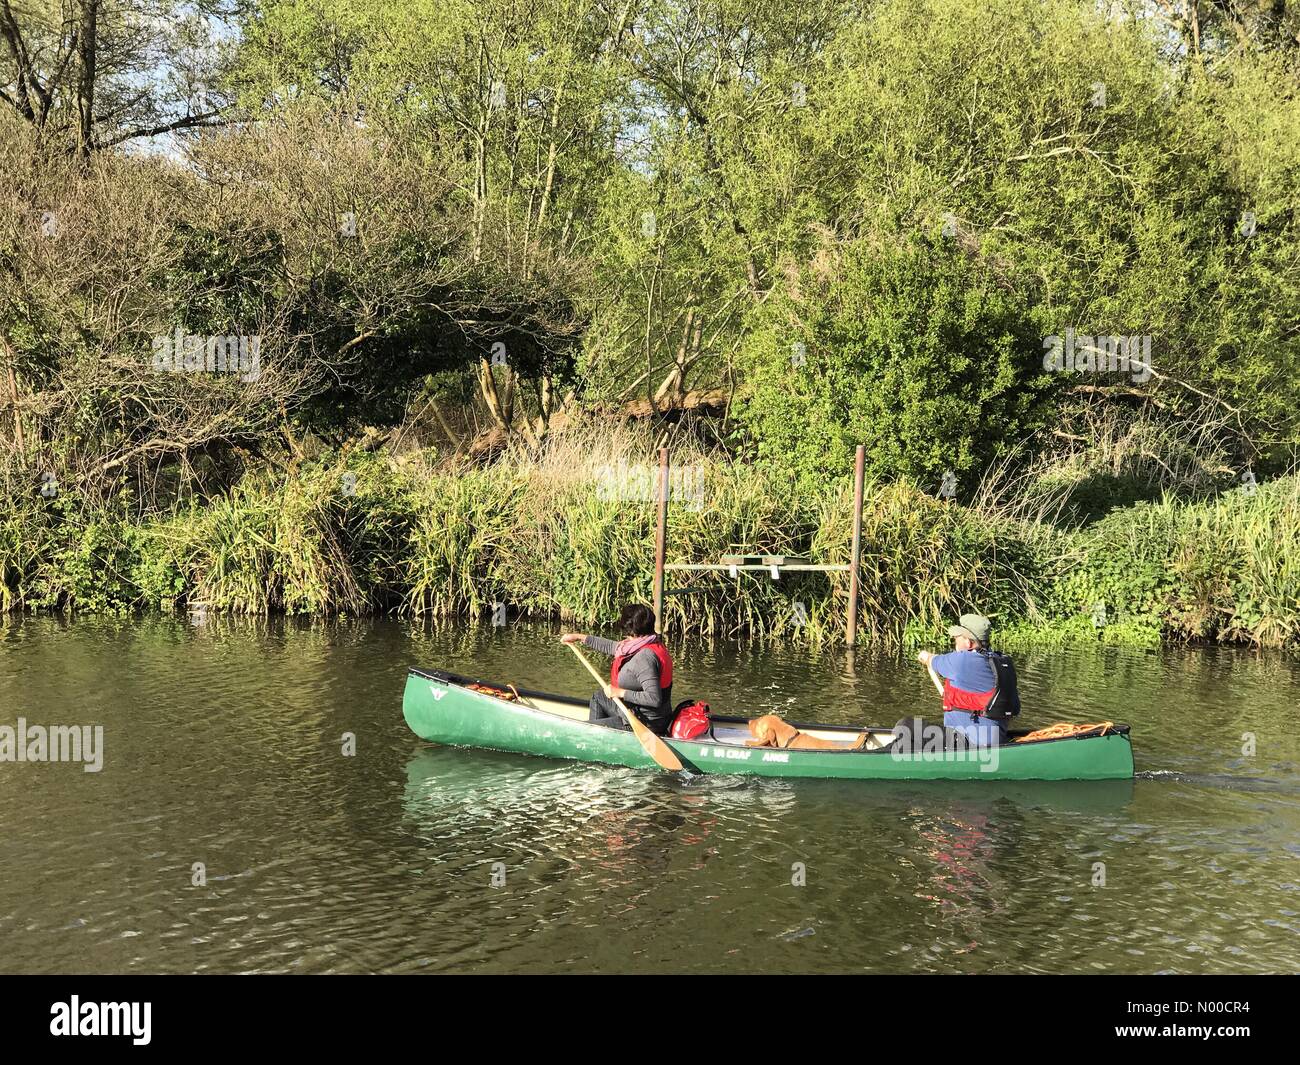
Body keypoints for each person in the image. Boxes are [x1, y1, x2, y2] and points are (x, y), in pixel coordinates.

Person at [901, 613, 1019, 750]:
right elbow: (1015, 708)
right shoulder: (1004, 663)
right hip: (998, 739)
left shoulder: (961, 660)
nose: (954, 642)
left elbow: (932, 660)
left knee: (905, 725)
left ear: (968, 643)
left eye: (957, 638)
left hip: (968, 743)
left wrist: (925, 656)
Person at [559, 604, 674, 735]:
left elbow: (654, 698)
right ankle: (599, 737)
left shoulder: (645, 658)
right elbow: (612, 647)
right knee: (599, 697)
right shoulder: (645, 641)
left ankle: (594, 736)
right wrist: (579, 637)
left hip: (644, 722)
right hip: (630, 709)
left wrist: (620, 692)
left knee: (585, 731)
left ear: (631, 630)